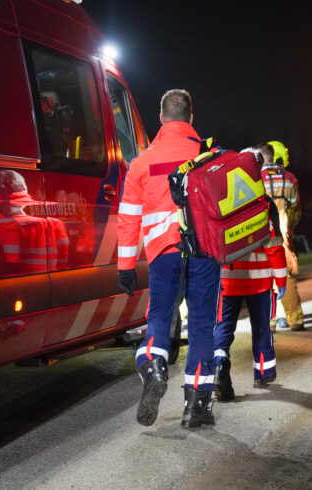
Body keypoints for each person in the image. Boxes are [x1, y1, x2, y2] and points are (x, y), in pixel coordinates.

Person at [117, 89, 221, 428]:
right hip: (204, 251)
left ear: (161, 118)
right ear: (191, 116)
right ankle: (197, 407)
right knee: (202, 324)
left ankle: (154, 367)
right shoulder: (209, 157)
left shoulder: (141, 163)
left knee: (160, 316)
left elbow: (128, 218)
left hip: (163, 252)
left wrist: (125, 266)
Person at [213, 206, 287, 401]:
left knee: (223, 327)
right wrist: (281, 279)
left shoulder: (222, 200)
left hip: (228, 278)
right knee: (261, 328)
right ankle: (263, 373)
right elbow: (274, 245)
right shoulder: (264, 204)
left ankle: (219, 365)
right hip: (259, 279)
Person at [259, 141, 304, 331]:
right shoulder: (289, 178)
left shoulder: (254, 177)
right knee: (286, 275)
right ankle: (295, 319)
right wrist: (289, 230)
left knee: (263, 276)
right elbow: (295, 208)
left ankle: (268, 322)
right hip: (281, 233)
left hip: (259, 234)